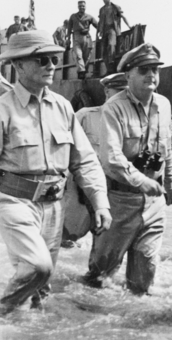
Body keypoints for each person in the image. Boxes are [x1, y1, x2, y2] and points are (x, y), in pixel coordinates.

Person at [0, 30, 111, 313]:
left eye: (53, 59)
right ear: (19, 65)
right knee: (39, 267)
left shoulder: (62, 107)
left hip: (54, 204)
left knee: (42, 290)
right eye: (41, 60)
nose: (51, 65)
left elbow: (84, 160)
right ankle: (2, 314)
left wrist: (99, 202)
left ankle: (31, 337)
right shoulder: (2, 109)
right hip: (15, 202)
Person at [84, 43, 172, 294]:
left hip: (154, 203)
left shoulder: (164, 105)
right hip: (120, 200)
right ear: (128, 76)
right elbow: (112, 158)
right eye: (143, 70)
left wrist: (170, 184)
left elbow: (166, 149)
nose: (151, 75)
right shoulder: (114, 107)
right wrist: (142, 181)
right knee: (100, 276)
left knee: (144, 278)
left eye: (155, 70)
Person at [61, 73, 128, 247]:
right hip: (81, 190)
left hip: (114, 193)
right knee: (67, 238)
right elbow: (63, 150)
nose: (124, 96)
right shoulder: (85, 115)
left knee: (106, 244)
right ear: (107, 91)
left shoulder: (131, 123)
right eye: (119, 91)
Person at [98, 0, 131, 73]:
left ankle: (112, 64)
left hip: (112, 29)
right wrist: (97, 33)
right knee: (103, 52)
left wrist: (129, 26)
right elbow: (100, 22)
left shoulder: (115, 7)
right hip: (104, 31)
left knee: (111, 45)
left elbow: (123, 17)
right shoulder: (101, 9)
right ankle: (108, 69)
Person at [67, 1, 98, 79]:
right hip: (76, 37)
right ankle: (81, 72)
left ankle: (83, 72)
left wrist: (100, 33)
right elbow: (69, 28)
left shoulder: (89, 17)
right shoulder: (73, 16)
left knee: (86, 56)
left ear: (85, 7)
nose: (82, 8)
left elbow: (98, 26)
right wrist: (68, 39)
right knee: (78, 55)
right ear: (78, 7)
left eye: (83, 6)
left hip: (87, 37)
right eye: (80, 6)